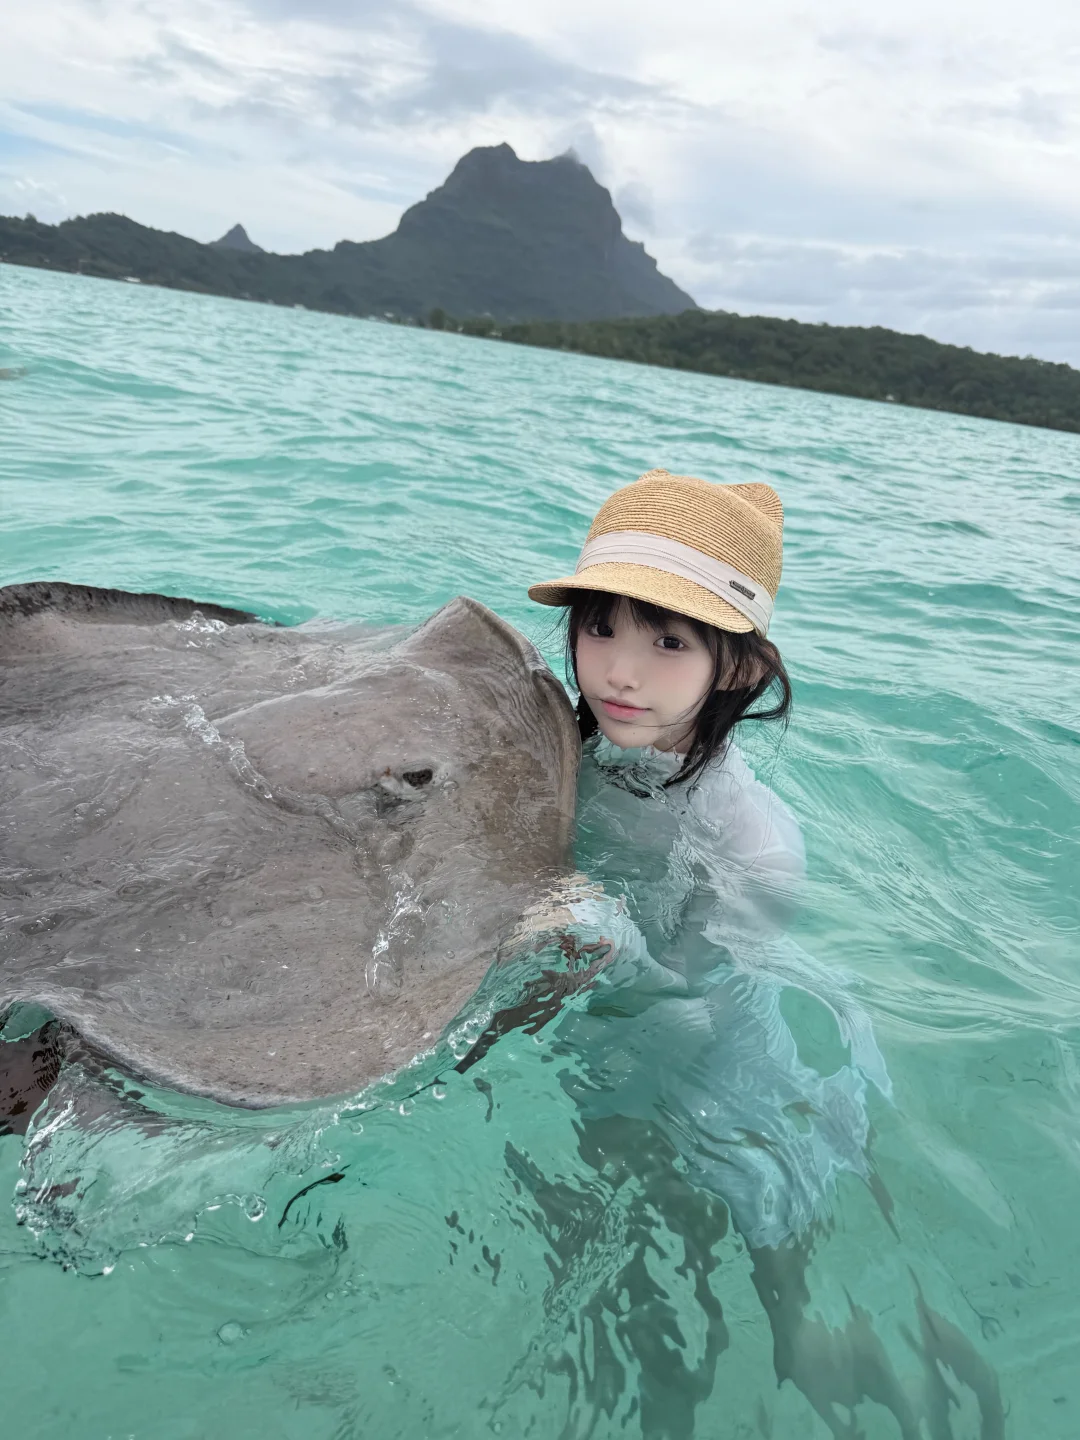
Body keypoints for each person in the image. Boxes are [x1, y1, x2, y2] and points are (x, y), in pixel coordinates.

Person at [525, 467, 888, 1251]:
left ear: (740, 668)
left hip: (711, 1071)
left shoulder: (754, 843)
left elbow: (684, 1004)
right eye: (600, 627)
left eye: (668, 641)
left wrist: (600, 930)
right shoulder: (565, 752)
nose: (620, 671)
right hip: (603, 1024)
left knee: (727, 1248)